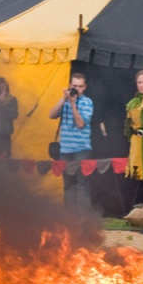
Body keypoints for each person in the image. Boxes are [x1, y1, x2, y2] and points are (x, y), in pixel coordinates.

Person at [49, 73, 94, 210]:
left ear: (84, 87)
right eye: (74, 86)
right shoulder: (65, 101)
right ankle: (70, 216)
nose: (77, 89)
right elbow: (51, 115)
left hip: (82, 149)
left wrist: (73, 105)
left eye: (80, 86)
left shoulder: (87, 102)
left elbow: (81, 124)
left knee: (82, 184)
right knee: (68, 184)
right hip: (65, 149)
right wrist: (63, 99)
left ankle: (84, 216)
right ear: (70, 86)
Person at [124, 70, 143, 183]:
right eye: (139, 82)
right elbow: (129, 125)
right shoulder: (133, 103)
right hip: (136, 141)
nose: (141, 85)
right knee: (137, 172)